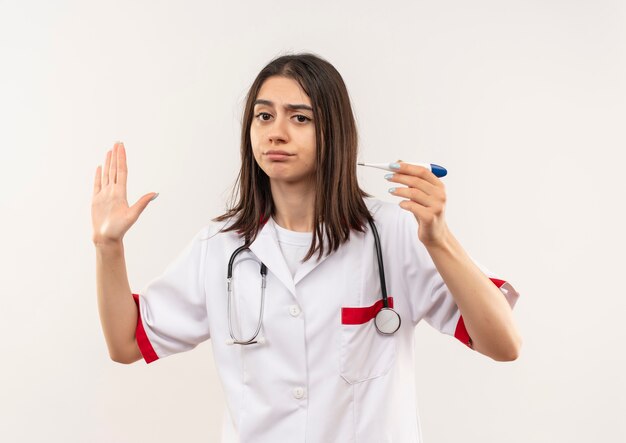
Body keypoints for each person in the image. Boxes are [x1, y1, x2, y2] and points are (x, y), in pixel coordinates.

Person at [92, 52, 521, 442]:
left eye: (300, 118)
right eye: (264, 116)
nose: (276, 133)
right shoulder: (221, 247)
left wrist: (438, 239)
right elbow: (127, 343)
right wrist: (108, 246)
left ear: (333, 132)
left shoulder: (393, 234)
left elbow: (504, 344)